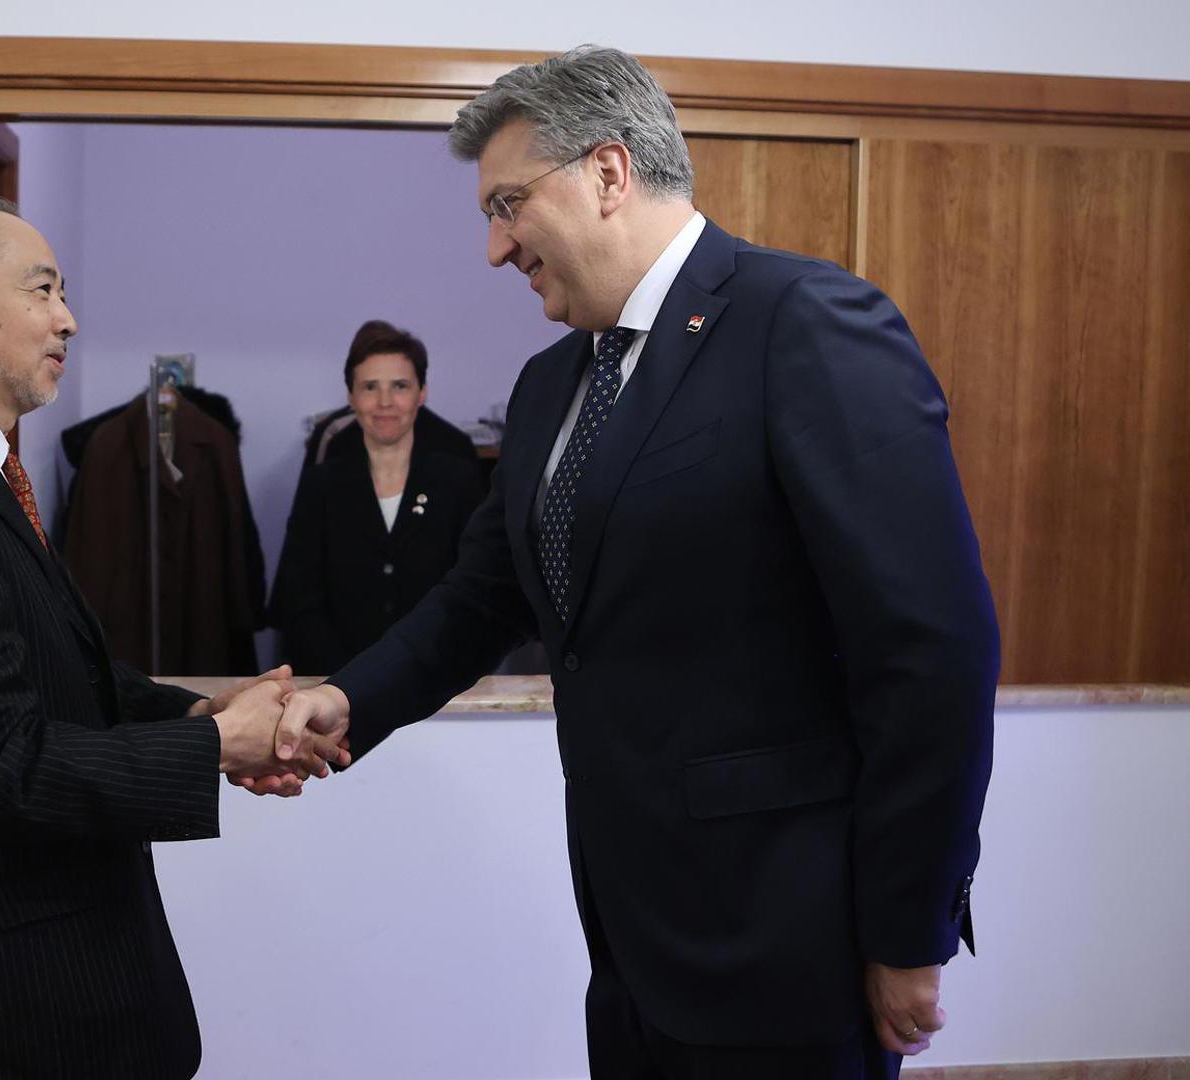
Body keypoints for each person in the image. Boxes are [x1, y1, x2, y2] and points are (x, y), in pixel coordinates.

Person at [264, 46, 998, 1079]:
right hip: (627, 943)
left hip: (788, 943)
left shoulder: (807, 325)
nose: (492, 247)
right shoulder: (547, 384)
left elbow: (931, 653)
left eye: (509, 203)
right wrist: (352, 696)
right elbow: (485, 595)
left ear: (609, 173)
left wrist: (908, 927)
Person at [0, 194, 342, 1080]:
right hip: (10, 1000)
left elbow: (66, 679)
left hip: (63, 976)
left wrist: (212, 716)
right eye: (42, 290)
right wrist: (215, 746)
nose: (67, 318)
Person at [268, 319, 484, 674]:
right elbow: (299, 597)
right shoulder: (322, 484)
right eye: (370, 387)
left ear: (422, 393)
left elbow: (473, 589)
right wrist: (345, 684)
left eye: (400, 386)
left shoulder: (457, 479)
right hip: (336, 685)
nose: (385, 402)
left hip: (436, 681)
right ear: (352, 397)